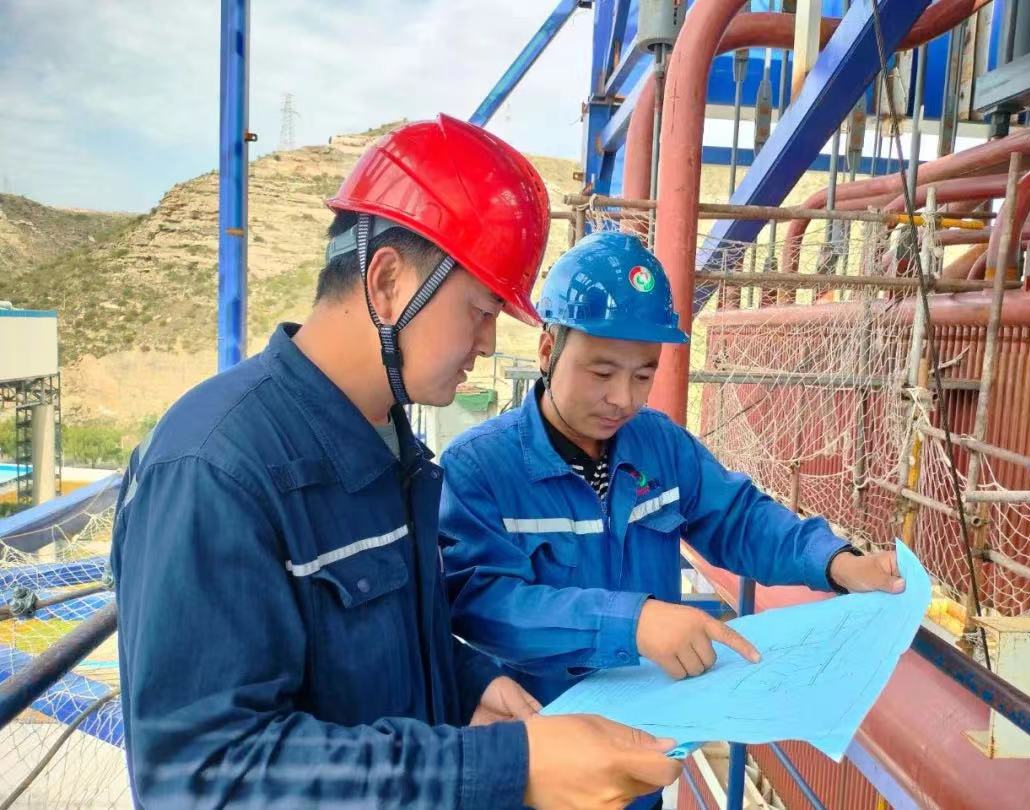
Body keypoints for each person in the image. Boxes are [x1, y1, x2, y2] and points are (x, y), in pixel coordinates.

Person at [111, 117, 681, 809]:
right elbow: (201, 775)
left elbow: (372, 651)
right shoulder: (215, 467)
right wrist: (502, 767)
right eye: (480, 310)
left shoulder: (387, 446)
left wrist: (466, 682)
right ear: (386, 282)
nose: (487, 341)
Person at [439, 230, 906, 708]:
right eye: (601, 373)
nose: (623, 398)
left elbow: (740, 519)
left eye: (643, 375)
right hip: (543, 731)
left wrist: (836, 562)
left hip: (654, 725)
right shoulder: (480, 467)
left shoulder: (660, 446)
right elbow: (483, 602)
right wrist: (631, 623)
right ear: (547, 350)